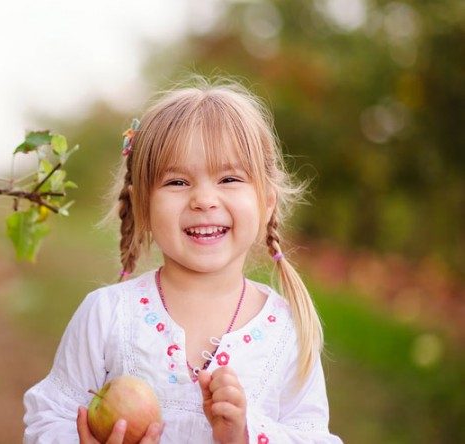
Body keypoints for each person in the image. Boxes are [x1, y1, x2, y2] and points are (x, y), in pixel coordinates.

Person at [23, 77, 343, 444]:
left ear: (267, 201)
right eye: (177, 182)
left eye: (229, 178)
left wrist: (243, 434)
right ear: (141, 204)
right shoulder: (107, 315)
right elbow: (50, 416)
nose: (204, 200)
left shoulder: (286, 330)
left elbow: (313, 437)